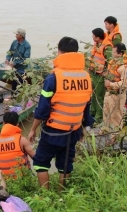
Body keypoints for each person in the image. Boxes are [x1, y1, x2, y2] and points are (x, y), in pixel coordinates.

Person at [27, 37, 94, 189]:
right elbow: (86, 106)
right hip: (73, 131)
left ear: (59, 52)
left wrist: (32, 129)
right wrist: (84, 127)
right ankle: (62, 195)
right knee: (65, 163)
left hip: (53, 131)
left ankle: (45, 196)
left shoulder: (54, 77)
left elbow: (43, 110)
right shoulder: (86, 77)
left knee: (41, 162)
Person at [102, 43, 127, 137]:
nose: (112, 53)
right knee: (106, 112)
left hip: (117, 95)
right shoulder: (113, 63)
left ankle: (114, 136)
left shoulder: (125, 67)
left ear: (120, 54)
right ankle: (105, 130)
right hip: (109, 93)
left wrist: (110, 84)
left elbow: (124, 84)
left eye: (114, 52)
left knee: (116, 116)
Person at [0, 112, 35, 179]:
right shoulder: (21, 140)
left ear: (3, 123)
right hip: (21, 178)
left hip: (3, 179)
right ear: (17, 124)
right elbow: (35, 157)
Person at [89, 28, 113, 124]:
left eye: (93, 36)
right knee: (93, 94)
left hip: (100, 75)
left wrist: (106, 72)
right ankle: (92, 112)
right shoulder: (97, 45)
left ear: (98, 37)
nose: (92, 37)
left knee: (99, 96)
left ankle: (98, 117)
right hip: (93, 73)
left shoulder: (107, 47)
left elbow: (110, 61)